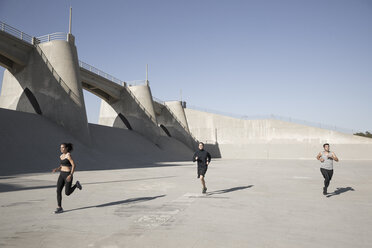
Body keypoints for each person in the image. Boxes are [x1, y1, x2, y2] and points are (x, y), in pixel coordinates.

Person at [52, 143, 82, 213]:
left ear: (66, 148)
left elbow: (74, 165)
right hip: (61, 174)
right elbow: (62, 165)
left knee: (67, 193)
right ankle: (59, 207)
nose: (61, 149)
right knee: (58, 190)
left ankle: (76, 185)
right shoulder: (61, 156)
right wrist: (57, 169)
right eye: (60, 147)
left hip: (67, 175)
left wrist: (70, 175)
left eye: (62, 147)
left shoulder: (68, 155)